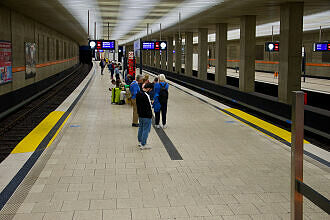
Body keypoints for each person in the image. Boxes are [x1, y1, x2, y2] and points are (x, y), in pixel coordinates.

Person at [136, 83, 154, 149]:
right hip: (147, 115)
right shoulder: (146, 95)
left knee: (141, 128)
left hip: (140, 114)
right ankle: (143, 144)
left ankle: (140, 141)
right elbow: (149, 106)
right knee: (146, 129)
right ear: (148, 88)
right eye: (151, 89)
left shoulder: (138, 93)